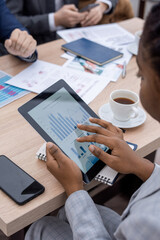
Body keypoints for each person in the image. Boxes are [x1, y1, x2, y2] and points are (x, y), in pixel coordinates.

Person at [25, 3, 160, 240]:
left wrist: (75, 190)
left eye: (141, 74)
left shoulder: (148, 221)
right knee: (69, 214)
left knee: (41, 226)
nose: (139, 83)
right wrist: (142, 167)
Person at [6, 0, 119, 44]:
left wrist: (102, 5)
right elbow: (9, 21)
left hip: (74, 41)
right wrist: (55, 20)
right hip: (37, 46)